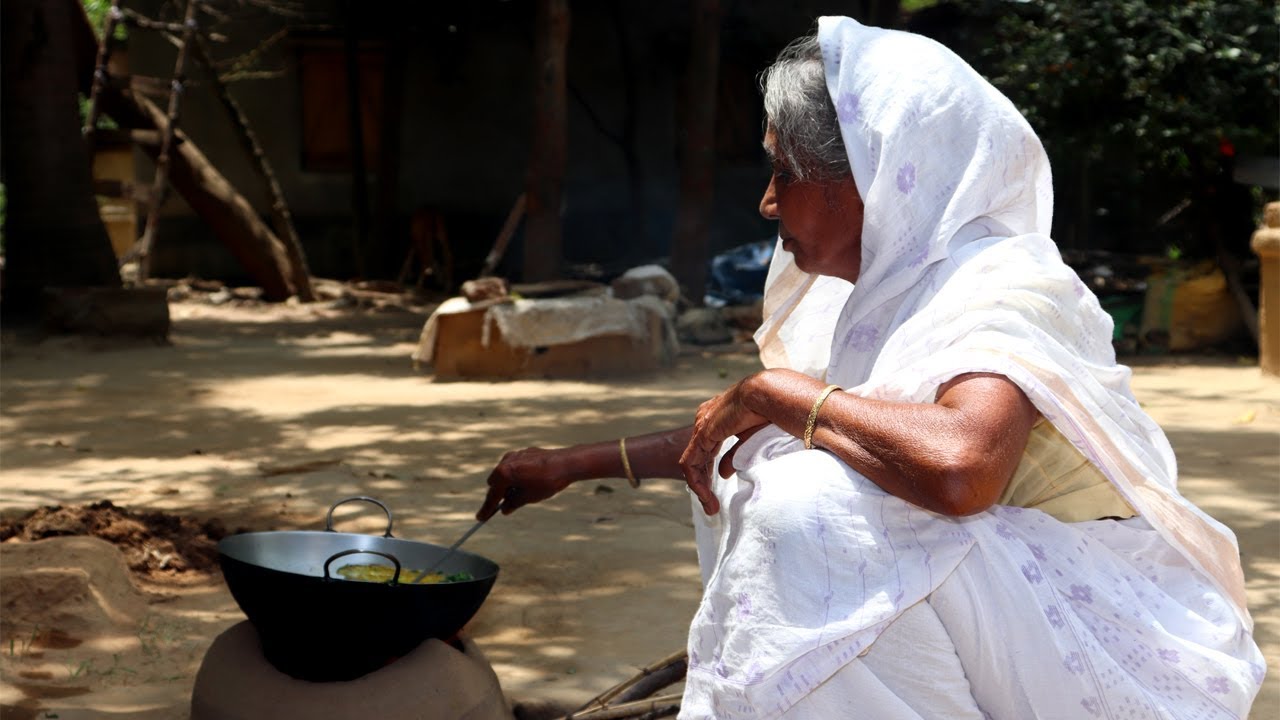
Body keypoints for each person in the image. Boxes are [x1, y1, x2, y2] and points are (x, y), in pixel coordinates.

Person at [476, 17, 1265, 719]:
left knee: (810, 508)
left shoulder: (1002, 283)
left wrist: (782, 395)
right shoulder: (883, 298)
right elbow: (742, 430)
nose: (767, 203)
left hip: (1099, 647)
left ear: (871, 177)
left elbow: (961, 471)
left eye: (783, 171)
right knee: (796, 464)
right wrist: (568, 465)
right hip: (1006, 618)